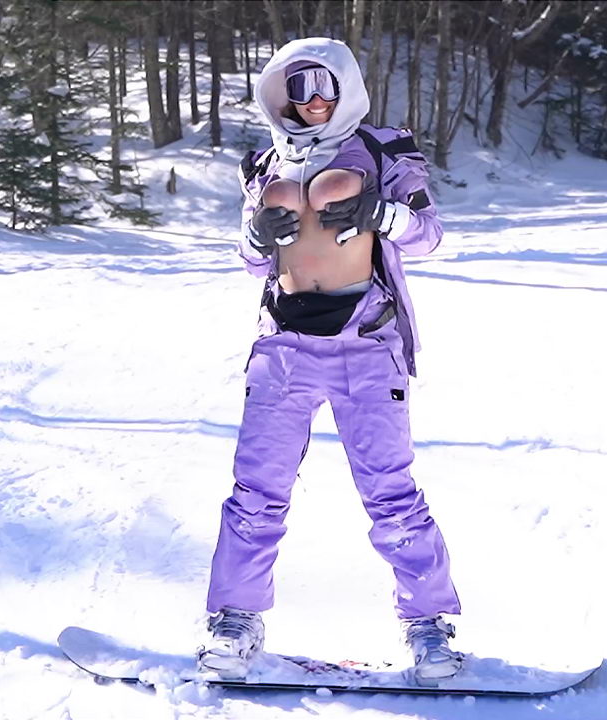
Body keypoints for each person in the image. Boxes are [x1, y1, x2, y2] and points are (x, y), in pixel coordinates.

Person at [197, 37, 461, 683]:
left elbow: (428, 235)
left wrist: (382, 211)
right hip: (284, 347)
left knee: (392, 495)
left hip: (366, 345)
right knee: (256, 494)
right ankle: (236, 620)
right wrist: (256, 235)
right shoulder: (263, 163)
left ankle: (428, 626)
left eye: (325, 87)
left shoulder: (381, 149)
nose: (314, 101)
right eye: (300, 89)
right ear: (280, 95)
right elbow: (255, 260)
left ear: (345, 87)